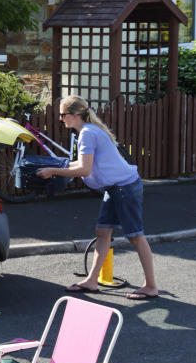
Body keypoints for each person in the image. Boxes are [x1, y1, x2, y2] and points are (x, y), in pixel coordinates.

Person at [36, 95, 159, 300]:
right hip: (116, 188)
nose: (60, 118)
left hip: (124, 188)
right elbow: (80, 164)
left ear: (75, 115)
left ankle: (150, 286)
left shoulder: (87, 133)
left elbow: (84, 170)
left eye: (63, 114)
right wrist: (58, 166)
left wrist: (52, 171)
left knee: (136, 236)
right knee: (102, 231)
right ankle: (92, 281)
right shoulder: (88, 131)